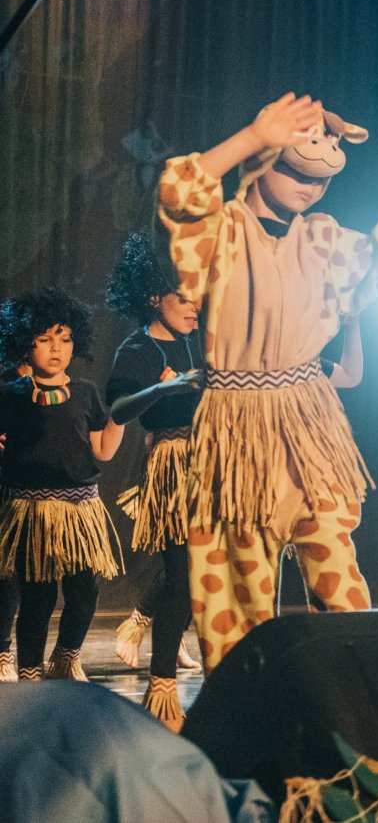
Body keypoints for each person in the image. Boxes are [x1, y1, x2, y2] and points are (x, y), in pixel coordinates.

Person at [156, 92, 378, 668]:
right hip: (238, 428)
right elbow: (180, 192)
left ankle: (359, 704)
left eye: (318, 177)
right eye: (293, 169)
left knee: (338, 575)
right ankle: (247, 719)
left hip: (308, 421)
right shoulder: (225, 230)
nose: (309, 186)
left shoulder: (322, 237)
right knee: (240, 593)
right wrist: (254, 135)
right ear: (263, 164)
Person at [102, 231, 205, 724]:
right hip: (173, 467)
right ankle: (161, 686)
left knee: (205, 575)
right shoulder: (137, 349)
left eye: (197, 296)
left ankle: (145, 623)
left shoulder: (202, 341)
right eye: (183, 297)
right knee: (183, 575)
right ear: (154, 297)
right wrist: (165, 389)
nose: (194, 306)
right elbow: (120, 408)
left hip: (215, 463)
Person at [0, 288, 125, 681]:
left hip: (79, 510)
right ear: (25, 344)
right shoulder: (9, 395)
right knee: (37, 597)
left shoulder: (86, 393)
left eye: (65, 339)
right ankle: (30, 671)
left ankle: (67, 655)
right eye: (44, 339)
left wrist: (119, 419)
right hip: (31, 511)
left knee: (84, 592)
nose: (56, 348)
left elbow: (102, 451)